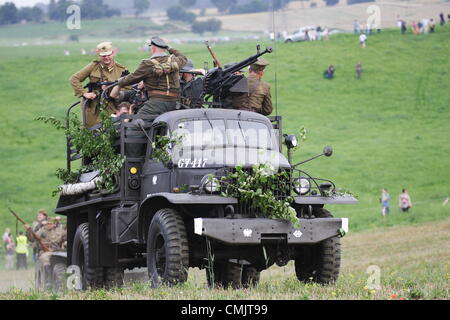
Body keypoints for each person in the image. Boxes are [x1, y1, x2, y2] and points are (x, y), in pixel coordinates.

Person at [116, 36, 187, 118]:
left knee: (136, 125)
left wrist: (119, 81)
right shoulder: (175, 61)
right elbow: (183, 58)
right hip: (174, 102)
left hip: (156, 103)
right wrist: (169, 48)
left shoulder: (148, 64)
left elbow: (132, 78)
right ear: (164, 48)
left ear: (152, 49)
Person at [70, 41, 129, 128]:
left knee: (112, 132)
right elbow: (74, 79)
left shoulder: (121, 69)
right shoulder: (93, 66)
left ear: (113, 53)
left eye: (108, 55)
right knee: (91, 132)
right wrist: (84, 93)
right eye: (103, 56)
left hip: (113, 106)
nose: (106, 58)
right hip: (93, 107)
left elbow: (128, 88)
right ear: (99, 55)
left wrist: (118, 95)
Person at [26, 218, 66, 288]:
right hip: (45, 251)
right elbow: (32, 238)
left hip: (58, 250)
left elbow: (67, 235)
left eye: (50, 224)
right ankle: (48, 279)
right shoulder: (42, 231)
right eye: (47, 224)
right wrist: (29, 230)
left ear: (54, 224)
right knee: (45, 258)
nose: (48, 225)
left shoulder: (60, 230)